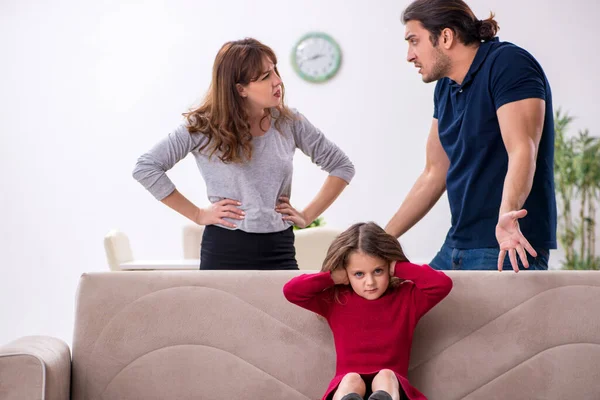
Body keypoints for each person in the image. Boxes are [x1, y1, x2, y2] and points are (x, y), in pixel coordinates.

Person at [132, 38, 355, 270]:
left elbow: (341, 166)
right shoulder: (202, 126)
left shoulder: (290, 122)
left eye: (275, 71)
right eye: (265, 76)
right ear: (240, 89)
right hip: (224, 248)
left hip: (279, 246)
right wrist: (197, 215)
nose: (277, 81)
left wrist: (307, 216)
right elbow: (146, 168)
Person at [385, 0, 557, 272]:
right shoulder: (445, 87)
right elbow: (434, 172)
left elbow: (523, 149)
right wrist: (381, 241)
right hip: (457, 244)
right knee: (409, 307)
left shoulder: (508, 64)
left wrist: (506, 217)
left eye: (414, 41)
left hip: (504, 246)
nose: (409, 55)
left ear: (445, 36)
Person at [283, 222, 452, 400]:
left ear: (389, 267)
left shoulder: (408, 298)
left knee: (386, 375)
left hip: (392, 389)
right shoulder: (336, 299)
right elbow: (292, 291)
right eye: (359, 274)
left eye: (378, 271)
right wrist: (331, 277)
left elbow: (442, 285)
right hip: (348, 390)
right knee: (351, 379)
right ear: (345, 273)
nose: (370, 282)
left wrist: (399, 267)